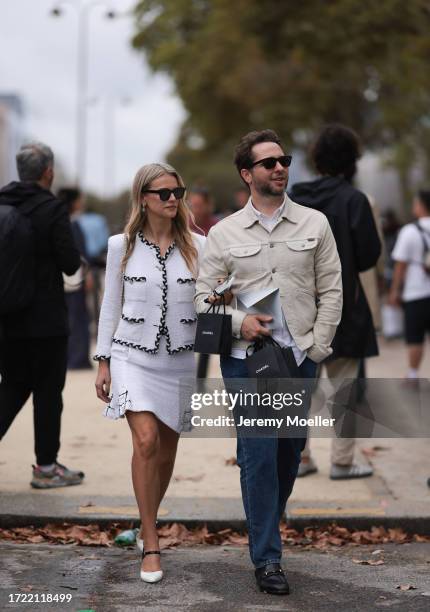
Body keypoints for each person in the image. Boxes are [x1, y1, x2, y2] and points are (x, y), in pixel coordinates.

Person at [195, 129, 342, 595]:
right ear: (247, 174)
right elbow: (202, 299)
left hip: (299, 359)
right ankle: (268, 558)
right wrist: (241, 323)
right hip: (247, 363)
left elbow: (333, 289)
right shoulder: (223, 233)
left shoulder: (314, 224)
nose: (280, 168)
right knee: (257, 454)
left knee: (288, 452)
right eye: (268, 162)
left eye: (284, 160)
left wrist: (317, 346)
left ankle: (266, 522)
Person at [94, 163, 206, 584]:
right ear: (143, 198)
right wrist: (103, 360)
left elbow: (211, 300)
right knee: (146, 441)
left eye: (178, 190)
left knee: (167, 453)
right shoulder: (119, 246)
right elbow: (109, 306)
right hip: (130, 356)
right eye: (163, 192)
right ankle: (153, 541)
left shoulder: (200, 246)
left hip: (178, 360)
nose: (173, 198)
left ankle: (144, 523)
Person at [291, 124, 381, 480]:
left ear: (316, 159)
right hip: (344, 308)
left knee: (298, 388)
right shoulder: (354, 200)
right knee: (345, 390)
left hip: (298, 309)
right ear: (353, 161)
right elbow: (368, 256)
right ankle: (342, 462)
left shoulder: (295, 195)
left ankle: (300, 458)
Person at [0, 142, 84, 488]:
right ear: (47, 171)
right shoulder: (52, 208)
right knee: (48, 394)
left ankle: (48, 467)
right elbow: (69, 263)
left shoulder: (1, 202)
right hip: (46, 321)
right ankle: (46, 469)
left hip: (6, 319)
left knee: (12, 388)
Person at [389, 190, 430, 384]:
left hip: (416, 292)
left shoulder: (409, 231)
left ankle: (413, 374)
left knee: (415, 336)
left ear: (421, 206)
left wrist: (395, 291)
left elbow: (400, 265)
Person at [58, 188, 92, 370]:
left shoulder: (58, 221)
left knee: (68, 318)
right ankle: (78, 359)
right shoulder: (74, 224)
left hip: (62, 279)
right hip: (76, 279)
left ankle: (70, 357)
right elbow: (81, 253)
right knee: (79, 318)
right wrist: (87, 276)